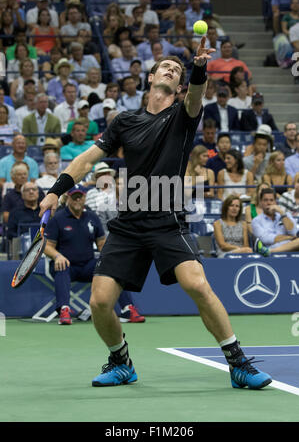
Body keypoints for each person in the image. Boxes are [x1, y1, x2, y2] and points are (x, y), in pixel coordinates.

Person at [40, 39, 272, 389]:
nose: (170, 70)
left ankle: (237, 362)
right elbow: (88, 158)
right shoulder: (124, 121)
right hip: (129, 222)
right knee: (100, 301)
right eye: (165, 66)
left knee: (196, 283)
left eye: (176, 71)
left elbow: (196, 95)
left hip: (166, 220)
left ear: (179, 86)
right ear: (150, 78)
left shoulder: (183, 115)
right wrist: (56, 190)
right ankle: (121, 361)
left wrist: (197, 67)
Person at [44, 184, 145, 324]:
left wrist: (111, 259)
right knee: (62, 267)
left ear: (85, 197)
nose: (77, 200)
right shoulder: (58, 218)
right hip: (66, 266)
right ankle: (64, 310)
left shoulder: (92, 217)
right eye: (74, 197)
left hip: (88, 266)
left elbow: (102, 243)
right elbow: (47, 246)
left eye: (80, 197)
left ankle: (128, 309)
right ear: (68, 198)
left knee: (114, 268)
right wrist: (57, 256)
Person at [253, 187, 299, 255]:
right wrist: (291, 238)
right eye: (265, 200)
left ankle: (272, 251)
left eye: (271, 200)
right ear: (260, 202)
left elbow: (293, 232)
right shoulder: (256, 221)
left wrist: (282, 213)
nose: (269, 203)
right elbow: (267, 239)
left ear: (275, 202)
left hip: (289, 251)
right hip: (269, 254)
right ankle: (272, 251)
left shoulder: (285, 215)